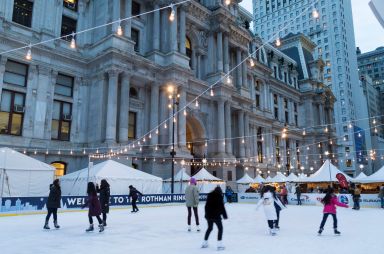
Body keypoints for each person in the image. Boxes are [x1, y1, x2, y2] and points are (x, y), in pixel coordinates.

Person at [201, 186, 227, 251]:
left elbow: (206, 206)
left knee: (209, 228)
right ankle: (219, 245)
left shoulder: (209, 195)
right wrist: (224, 215)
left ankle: (204, 243)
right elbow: (222, 207)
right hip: (216, 216)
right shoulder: (219, 197)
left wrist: (207, 214)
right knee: (220, 229)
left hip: (209, 216)